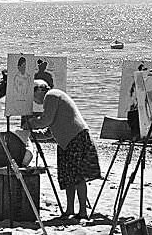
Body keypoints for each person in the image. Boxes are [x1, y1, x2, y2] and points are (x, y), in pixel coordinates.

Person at [24, 79, 101, 220]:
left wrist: (30, 123)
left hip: (75, 138)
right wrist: (30, 133)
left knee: (78, 177)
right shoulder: (53, 98)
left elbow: (45, 121)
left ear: (40, 90)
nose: (34, 100)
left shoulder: (52, 95)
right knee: (68, 178)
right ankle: (70, 210)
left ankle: (82, 211)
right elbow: (49, 131)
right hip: (67, 141)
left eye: (33, 95)